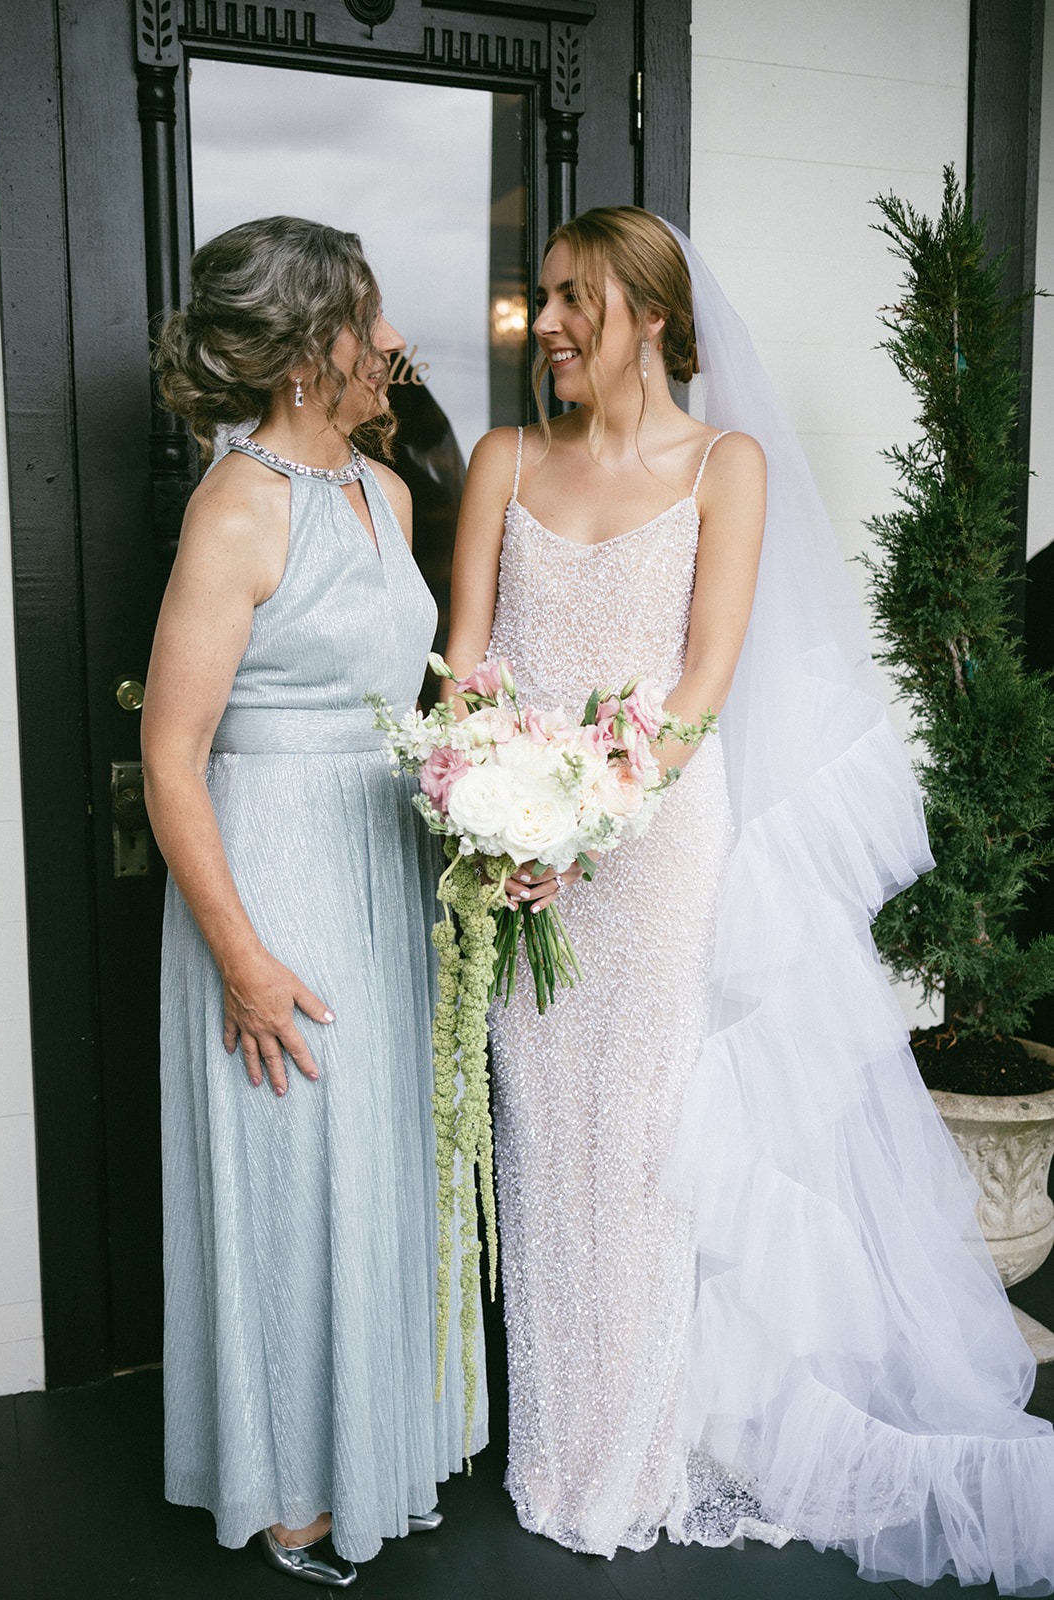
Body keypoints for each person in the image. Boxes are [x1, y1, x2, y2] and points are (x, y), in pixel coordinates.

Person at [444, 206, 1054, 1592]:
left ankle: (653, 1449)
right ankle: (559, 1445)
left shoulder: (728, 464)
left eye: (572, 299)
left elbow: (704, 678)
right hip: (524, 862)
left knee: (651, 1149)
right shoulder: (502, 461)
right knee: (547, 1139)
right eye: (542, 298)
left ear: (651, 317)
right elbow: (467, 661)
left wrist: (586, 818)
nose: (543, 323)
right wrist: (489, 800)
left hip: (654, 856)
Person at [142, 215, 485, 1590]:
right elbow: (173, 757)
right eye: (369, 319)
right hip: (270, 866)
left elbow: (410, 690)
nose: (392, 341)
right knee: (292, 1170)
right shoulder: (235, 509)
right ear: (305, 353)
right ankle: (291, 1483)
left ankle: (377, 1449)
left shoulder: (384, 497)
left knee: (384, 1160)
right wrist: (239, 957)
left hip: (378, 856)